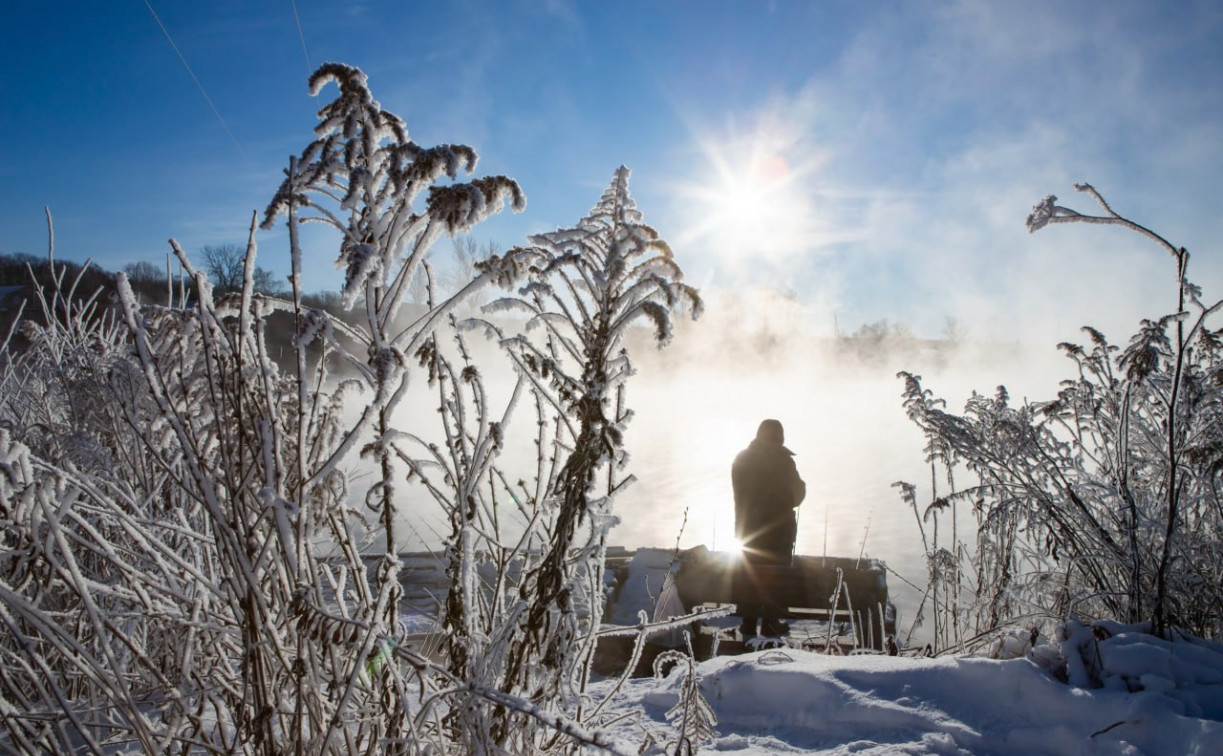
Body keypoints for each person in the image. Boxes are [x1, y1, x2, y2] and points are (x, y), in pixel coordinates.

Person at [731, 419, 806, 638]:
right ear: (780, 437)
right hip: (779, 533)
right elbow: (796, 496)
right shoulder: (784, 462)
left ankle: (748, 624)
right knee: (776, 577)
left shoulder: (742, 459)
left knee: (749, 574)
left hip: (747, 532)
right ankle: (770, 624)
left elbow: (740, 495)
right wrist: (802, 487)